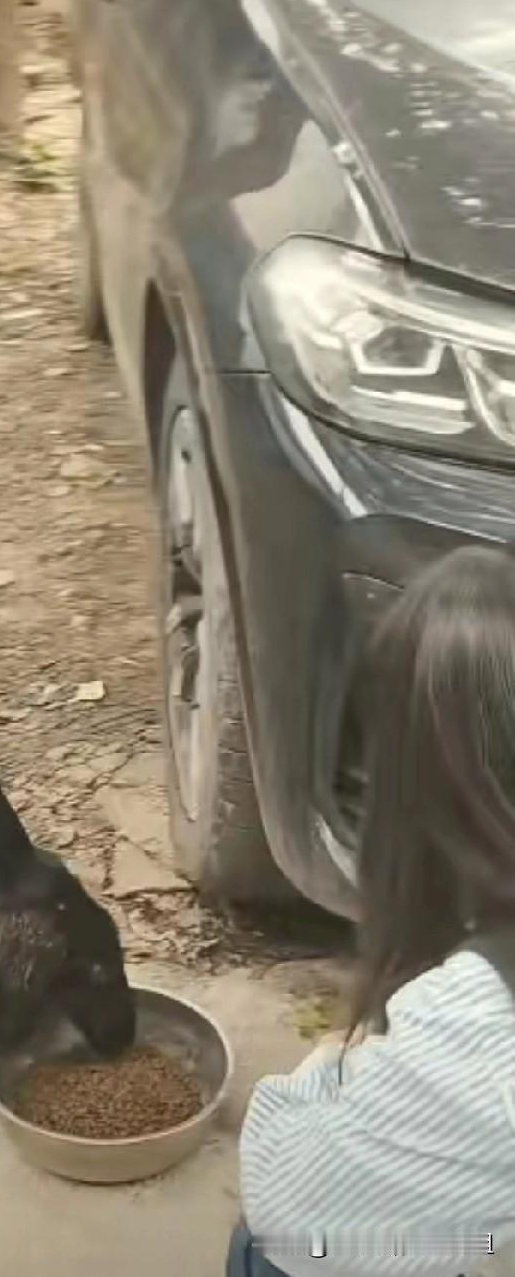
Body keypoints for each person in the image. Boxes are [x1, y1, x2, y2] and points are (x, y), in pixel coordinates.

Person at [228, 545, 515, 1276]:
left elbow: (297, 1219)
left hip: (320, 1240)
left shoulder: (473, 1021)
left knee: (266, 1249)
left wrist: (318, 1074)